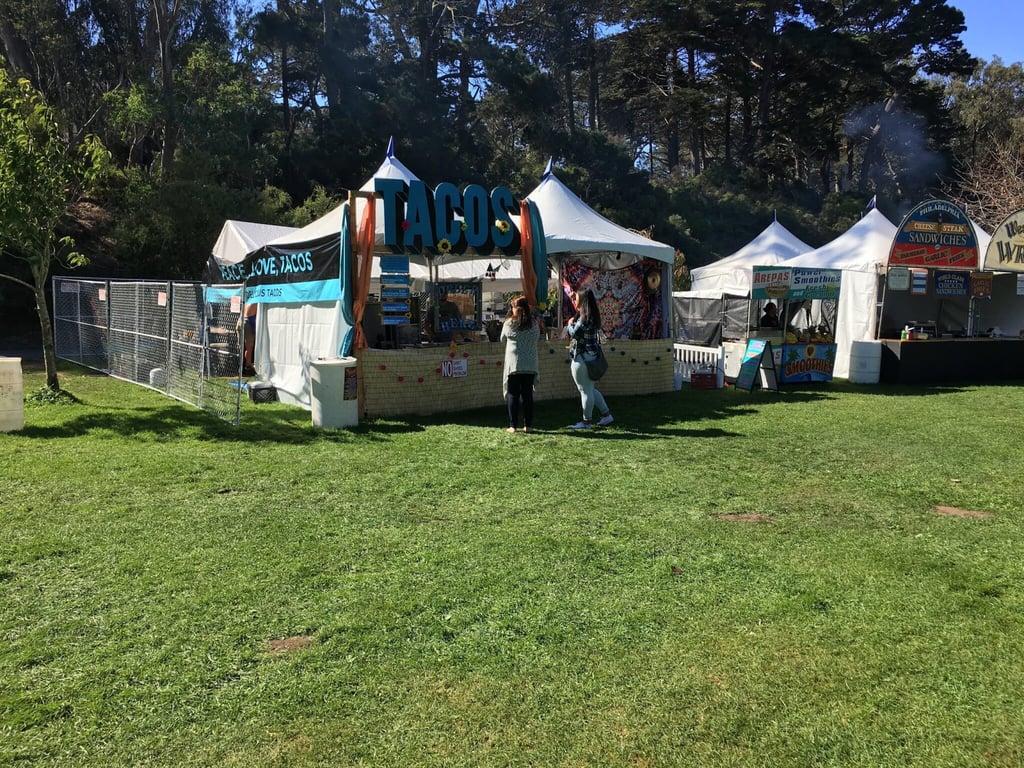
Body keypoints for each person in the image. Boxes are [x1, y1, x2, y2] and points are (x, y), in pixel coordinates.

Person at [565, 288, 613, 430]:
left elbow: (574, 333)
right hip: (591, 357)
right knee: (590, 389)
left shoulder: (584, 318)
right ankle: (606, 415)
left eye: (577, 298)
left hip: (582, 358)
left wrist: (569, 324)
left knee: (585, 391)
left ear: (583, 300)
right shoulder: (592, 316)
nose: (575, 300)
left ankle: (586, 422)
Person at [500, 296, 540, 433]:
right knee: (528, 395)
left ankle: (513, 426)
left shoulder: (509, 324)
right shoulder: (534, 324)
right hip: (530, 364)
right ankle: (528, 425)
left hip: (514, 365)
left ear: (515, 308)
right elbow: (538, 337)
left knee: (513, 395)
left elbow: (502, 339)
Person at [236, 301, 258, 376]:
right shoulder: (258, 300)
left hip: (240, 320)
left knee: (241, 346)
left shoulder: (248, 300)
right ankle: (248, 366)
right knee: (249, 347)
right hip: (248, 320)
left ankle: (241, 366)